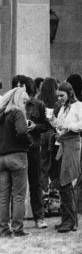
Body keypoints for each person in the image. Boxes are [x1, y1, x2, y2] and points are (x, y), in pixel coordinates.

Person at [52, 81, 82, 232]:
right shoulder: (63, 108)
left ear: (69, 93)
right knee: (62, 182)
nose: (59, 98)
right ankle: (67, 219)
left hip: (72, 144)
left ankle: (70, 221)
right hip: (62, 143)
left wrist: (68, 126)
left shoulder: (79, 106)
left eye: (62, 95)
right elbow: (61, 125)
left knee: (67, 181)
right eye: (58, 96)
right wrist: (54, 122)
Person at [17, 76, 50, 229]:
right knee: (17, 185)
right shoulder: (13, 105)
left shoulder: (38, 105)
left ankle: (39, 216)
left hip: (33, 148)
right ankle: (16, 218)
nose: (19, 87)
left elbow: (46, 126)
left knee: (35, 183)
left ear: (28, 87)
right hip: (17, 149)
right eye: (16, 85)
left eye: (21, 85)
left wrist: (34, 126)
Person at [0, 87, 31, 237]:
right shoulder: (17, 113)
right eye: (24, 101)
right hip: (18, 157)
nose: (25, 104)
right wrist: (28, 142)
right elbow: (21, 132)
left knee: (3, 196)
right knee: (18, 195)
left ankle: (3, 230)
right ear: (18, 99)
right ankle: (18, 229)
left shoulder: (2, 114)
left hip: (2, 158)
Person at [38, 77, 59, 192]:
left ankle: (43, 190)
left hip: (41, 135)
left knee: (43, 164)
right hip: (53, 135)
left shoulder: (38, 100)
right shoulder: (57, 101)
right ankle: (54, 190)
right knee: (55, 164)